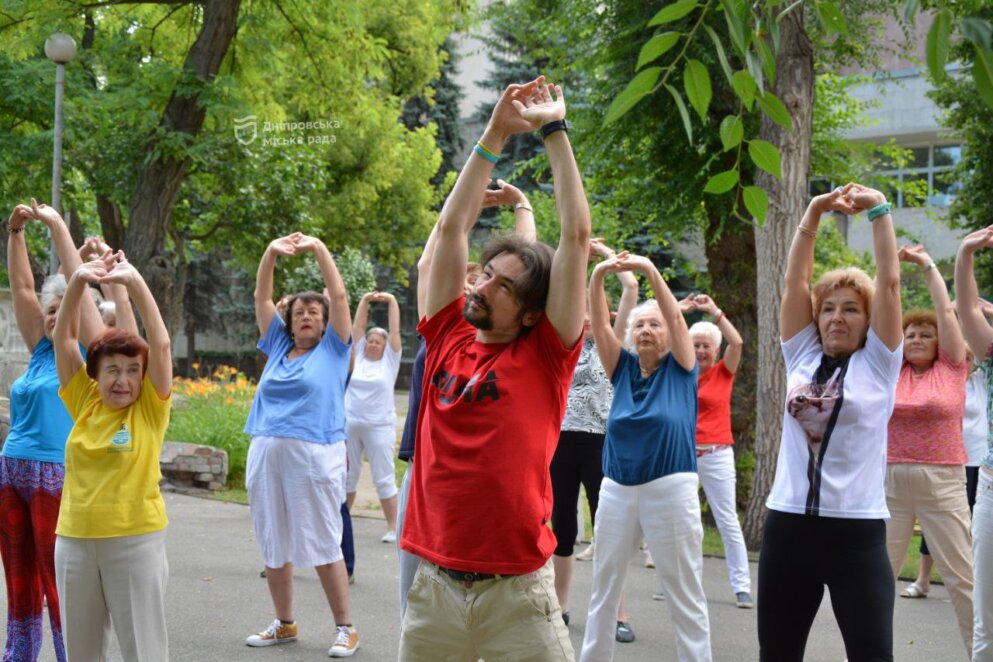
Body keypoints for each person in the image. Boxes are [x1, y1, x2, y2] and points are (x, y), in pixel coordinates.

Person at [398, 77, 588, 661]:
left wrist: (554, 129)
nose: (482, 287)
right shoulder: (448, 331)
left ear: (533, 313)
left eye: (504, 287)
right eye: (485, 274)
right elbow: (451, 230)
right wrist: (495, 131)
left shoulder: (545, 356)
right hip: (433, 590)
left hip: (519, 597)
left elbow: (576, 237)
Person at [758, 184, 903, 662]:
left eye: (851, 309)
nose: (836, 318)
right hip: (788, 529)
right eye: (828, 308)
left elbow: (889, 283)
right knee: (778, 654)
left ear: (868, 320)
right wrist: (814, 211)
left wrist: (879, 208)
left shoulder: (880, 363)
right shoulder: (800, 355)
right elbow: (793, 284)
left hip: (856, 535)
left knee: (871, 654)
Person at [394, 177, 536, 624]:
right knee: (416, 594)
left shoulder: (507, 338)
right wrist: (469, 197)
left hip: (480, 482)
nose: (480, 287)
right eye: (476, 278)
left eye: (493, 282)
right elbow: (435, 252)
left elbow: (527, 276)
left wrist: (521, 208)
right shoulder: (443, 329)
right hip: (424, 467)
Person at [580, 253, 712, 662]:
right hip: (617, 488)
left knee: (683, 591)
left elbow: (676, 317)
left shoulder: (682, 367)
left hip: (669, 488)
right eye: (640, 324)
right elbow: (601, 325)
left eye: (654, 324)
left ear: (671, 334)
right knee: (604, 586)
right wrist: (599, 274)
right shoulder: (621, 367)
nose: (647, 330)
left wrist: (650, 271)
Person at [52, 248, 172, 662]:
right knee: (81, 653)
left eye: (132, 370)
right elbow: (63, 339)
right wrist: (77, 283)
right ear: (96, 374)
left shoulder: (149, 408)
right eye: (112, 370)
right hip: (74, 540)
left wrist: (133, 283)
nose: (123, 380)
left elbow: (160, 342)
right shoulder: (83, 400)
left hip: (134, 541)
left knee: (144, 650)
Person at [243, 232, 359, 657]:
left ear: (326, 323)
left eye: (315, 311)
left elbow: (341, 296)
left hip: (314, 454)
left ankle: (346, 627)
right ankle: (285, 622)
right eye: (299, 312)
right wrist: (270, 252)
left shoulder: (333, 350)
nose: (306, 316)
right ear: (288, 322)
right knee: (273, 538)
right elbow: (261, 297)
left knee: (324, 541)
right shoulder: (277, 346)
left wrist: (318, 249)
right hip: (266, 450)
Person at [0, 201, 106, 662]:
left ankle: (73, 656)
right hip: (11, 473)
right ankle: (18, 655)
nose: (53, 315)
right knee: (19, 581)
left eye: (64, 308)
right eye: (50, 308)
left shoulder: (82, 353)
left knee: (58, 580)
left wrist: (61, 231)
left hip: (55, 477)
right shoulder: (39, 350)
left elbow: (74, 281)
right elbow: (22, 286)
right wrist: (16, 232)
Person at [884, 244, 973, 655]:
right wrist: (888, 270)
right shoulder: (891, 370)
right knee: (876, 576)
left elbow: (947, 311)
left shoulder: (953, 367)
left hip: (943, 480)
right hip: (888, 482)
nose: (917, 339)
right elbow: (881, 312)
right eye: (911, 335)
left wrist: (926, 265)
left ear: (941, 341)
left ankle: (982, 651)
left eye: (926, 334)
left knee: (962, 578)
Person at [551, 237, 637, 638]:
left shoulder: (610, 343)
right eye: (581, 311)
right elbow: (560, 287)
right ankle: (560, 607)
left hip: (601, 444)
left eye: (593, 311)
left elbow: (632, 289)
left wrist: (601, 256)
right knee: (561, 526)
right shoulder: (562, 346)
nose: (586, 318)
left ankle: (618, 614)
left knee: (609, 528)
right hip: (561, 442)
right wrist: (578, 256)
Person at [683, 292, 753, 608]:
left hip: (716, 454)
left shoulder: (723, 371)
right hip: (683, 455)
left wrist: (714, 311)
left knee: (727, 521)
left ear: (714, 350)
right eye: (694, 345)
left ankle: (741, 586)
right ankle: (676, 583)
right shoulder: (678, 373)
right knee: (682, 522)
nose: (699, 351)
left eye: (705, 346)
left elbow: (736, 343)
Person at [954, 225, 993, 660]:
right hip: (991, 492)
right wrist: (964, 254)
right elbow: (966, 309)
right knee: (987, 626)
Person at [344, 290, 402, 542]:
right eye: (370, 341)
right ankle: (340, 523)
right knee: (346, 475)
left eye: (378, 341)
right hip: (350, 425)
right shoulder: (357, 357)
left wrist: (391, 301)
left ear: (385, 345)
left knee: (383, 476)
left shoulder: (390, 360)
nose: (372, 344)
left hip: (379, 426)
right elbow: (357, 327)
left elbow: (396, 331)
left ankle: (393, 527)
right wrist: (365, 300)